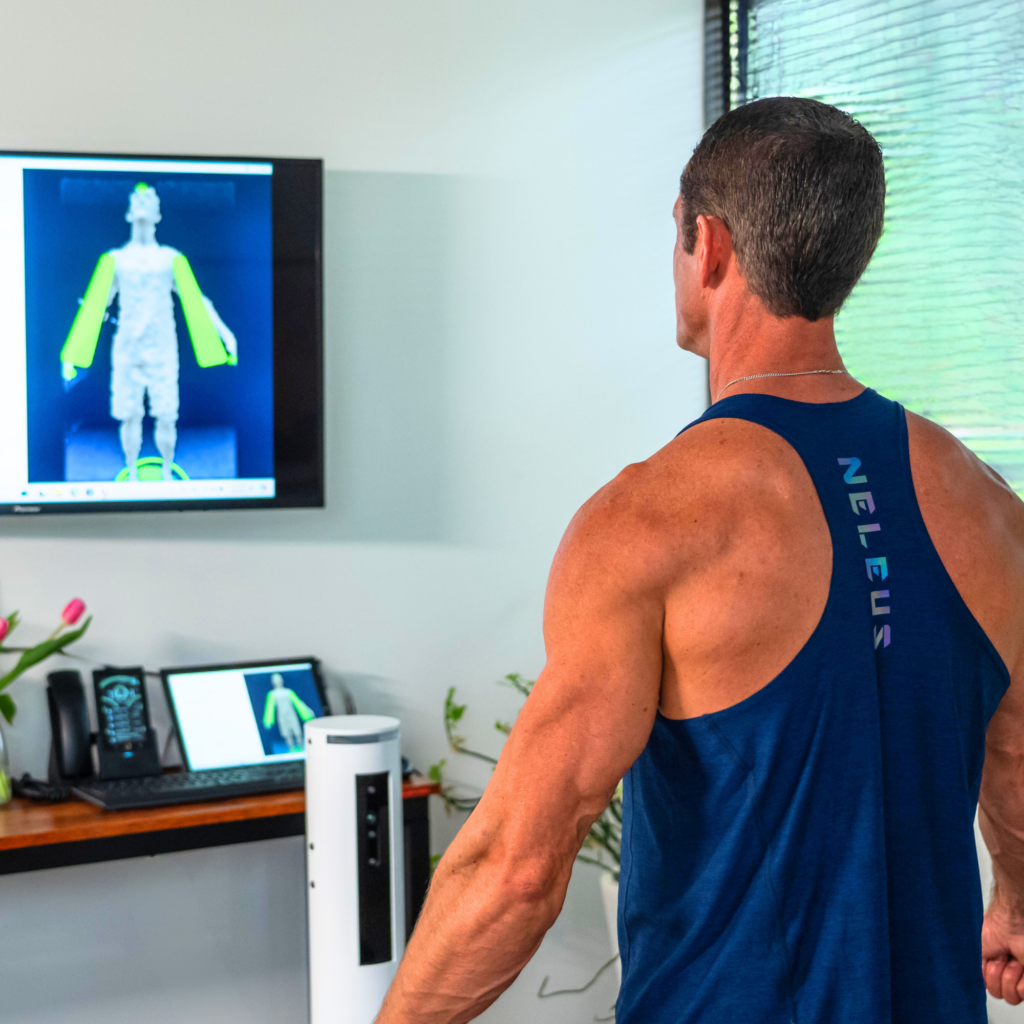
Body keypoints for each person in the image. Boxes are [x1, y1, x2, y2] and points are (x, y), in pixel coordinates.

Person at [375, 98, 1024, 1023]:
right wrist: (1017, 900)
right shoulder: (990, 505)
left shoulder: (647, 522)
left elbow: (518, 869)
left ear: (707, 245)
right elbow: (1015, 753)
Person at [61, 183, 238, 481]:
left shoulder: (171, 259)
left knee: (167, 416)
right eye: (138, 199)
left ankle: (166, 474)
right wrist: (73, 353)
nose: (143, 203)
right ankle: (131, 474)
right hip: (128, 349)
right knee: (129, 416)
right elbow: (94, 306)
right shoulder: (115, 260)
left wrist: (224, 333)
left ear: (157, 214)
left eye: (149, 200)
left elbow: (196, 299)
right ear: (130, 213)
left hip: (163, 349)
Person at [262, 672, 315, 752]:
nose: (278, 681)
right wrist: (268, 721)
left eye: (279, 679)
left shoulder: (288, 692)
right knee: (287, 734)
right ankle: (291, 749)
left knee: (297, 732)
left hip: (291, 715)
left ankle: (301, 749)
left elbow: (298, 703)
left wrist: (307, 713)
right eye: (275, 679)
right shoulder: (272, 694)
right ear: (273, 682)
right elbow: (269, 709)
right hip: (282, 717)